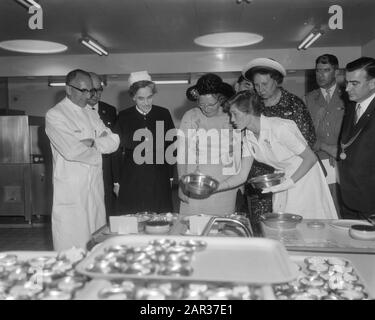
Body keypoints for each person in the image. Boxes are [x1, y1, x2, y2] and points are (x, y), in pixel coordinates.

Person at [219, 91, 337, 219]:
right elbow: (242, 176)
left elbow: (311, 158)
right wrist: (216, 187)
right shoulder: (248, 136)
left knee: (304, 224)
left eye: (235, 114)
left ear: (250, 111)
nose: (232, 120)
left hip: (305, 177)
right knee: (283, 223)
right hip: (282, 178)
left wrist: (288, 183)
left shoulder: (279, 127)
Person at [45, 69, 120, 251]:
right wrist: (100, 146)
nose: (88, 95)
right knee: (72, 246)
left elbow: (114, 141)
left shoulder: (91, 113)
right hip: (72, 191)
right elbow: (72, 151)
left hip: (94, 188)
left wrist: (92, 142)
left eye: (91, 91)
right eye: (83, 90)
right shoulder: (55, 115)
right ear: (68, 89)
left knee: (96, 243)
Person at [241, 57, 316, 219]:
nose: (260, 89)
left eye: (264, 84)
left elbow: (308, 141)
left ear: (276, 81)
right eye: (256, 85)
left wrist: (282, 173)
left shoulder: (293, 104)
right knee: (260, 224)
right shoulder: (253, 105)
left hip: (291, 177)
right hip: (259, 179)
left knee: (289, 223)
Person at [177, 73, 240, 216]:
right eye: (201, 104)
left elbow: (236, 152)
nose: (206, 108)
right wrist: (181, 185)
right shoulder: (190, 116)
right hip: (194, 186)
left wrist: (238, 184)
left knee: (220, 230)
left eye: (211, 104)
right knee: (192, 229)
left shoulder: (232, 117)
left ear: (221, 99)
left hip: (224, 186)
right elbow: (182, 153)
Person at [113, 71, 175, 214]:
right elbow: (115, 151)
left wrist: (170, 176)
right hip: (132, 177)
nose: (146, 103)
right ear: (133, 97)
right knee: (134, 219)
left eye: (150, 97)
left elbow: (171, 146)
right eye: (141, 98)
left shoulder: (163, 114)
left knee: (160, 218)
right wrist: (117, 181)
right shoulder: (124, 117)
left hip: (158, 176)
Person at [304, 54, 347, 216]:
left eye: (326, 70)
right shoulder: (308, 99)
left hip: (344, 160)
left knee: (345, 207)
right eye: (318, 71)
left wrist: (338, 148)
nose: (320, 75)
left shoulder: (348, 96)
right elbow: (304, 134)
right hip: (319, 162)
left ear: (336, 72)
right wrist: (324, 146)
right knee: (325, 209)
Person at [339, 57, 375, 219]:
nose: (347, 89)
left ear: (373, 83)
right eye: (347, 82)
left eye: (354, 83)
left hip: (370, 201)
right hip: (350, 198)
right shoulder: (353, 107)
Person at [88, 72, 118, 219]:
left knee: (107, 205)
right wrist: (101, 141)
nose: (96, 94)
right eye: (92, 90)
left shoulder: (110, 110)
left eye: (99, 90)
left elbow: (114, 139)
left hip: (107, 165)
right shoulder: (79, 112)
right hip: (87, 165)